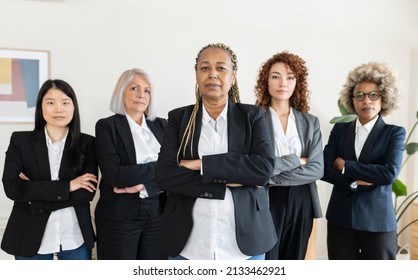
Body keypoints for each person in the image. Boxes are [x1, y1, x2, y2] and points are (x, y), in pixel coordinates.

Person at [155, 43, 277, 260]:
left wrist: (202, 165)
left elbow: (264, 169)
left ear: (233, 76)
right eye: (204, 68)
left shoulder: (254, 116)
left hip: (245, 245)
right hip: (189, 245)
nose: (212, 74)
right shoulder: (178, 119)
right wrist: (229, 179)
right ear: (196, 75)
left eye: (221, 68)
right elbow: (164, 176)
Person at [1, 79, 98, 260]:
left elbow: (86, 193)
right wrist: (68, 186)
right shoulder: (21, 141)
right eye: (50, 102)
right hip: (29, 236)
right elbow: (12, 187)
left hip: (74, 237)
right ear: (41, 107)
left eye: (65, 102)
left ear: (73, 107)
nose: (58, 109)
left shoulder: (88, 143)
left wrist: (36, 197)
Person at [322, 61, 406, 260]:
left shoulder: (394, 133)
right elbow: (325, 169)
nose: (366, 100)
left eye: (373, 95)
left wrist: (346, 166)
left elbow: (388, 174)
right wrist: (351, 181)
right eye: (360, 95)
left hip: (378, 222)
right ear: (352, 100)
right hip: (340, 219)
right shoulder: (340, 130)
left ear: (384, 98)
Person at [254, 51, 324, 260]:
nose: (283, 82)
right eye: (276, 76)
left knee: (294, 260)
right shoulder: (254, 118)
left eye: (290, 77)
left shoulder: (310, 122)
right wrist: (295, 161)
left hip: (302, 199)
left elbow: (317, 168)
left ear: (297, 83)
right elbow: (255, 167)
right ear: (265, 81)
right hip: (267, 198)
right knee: (267, 260)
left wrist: (272, 174)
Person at [94, 68, 167, 260]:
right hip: (120, 217)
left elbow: (175, 170)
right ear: (121, 92)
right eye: (134, 88)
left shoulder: (163, 126)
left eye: (147, 90)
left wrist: (144, 184)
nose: (141, 95)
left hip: (158, 214)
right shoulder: (107, 126)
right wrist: (157, 169)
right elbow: (114, 175)